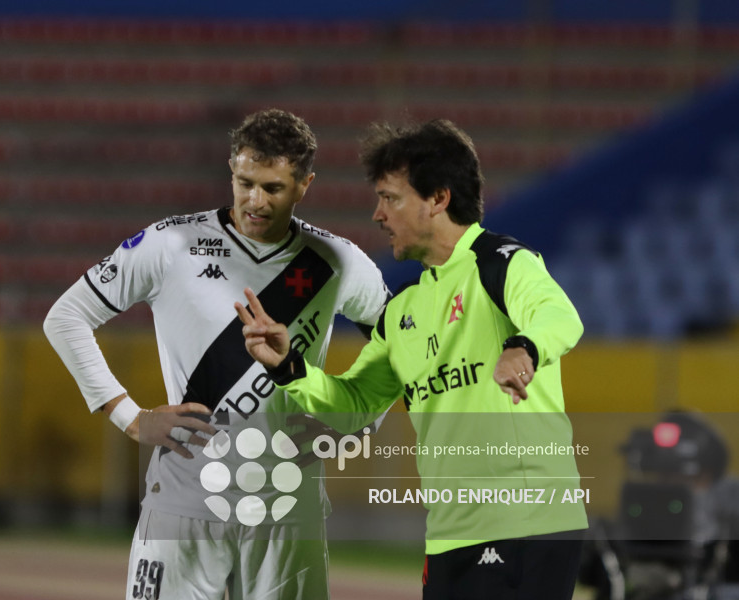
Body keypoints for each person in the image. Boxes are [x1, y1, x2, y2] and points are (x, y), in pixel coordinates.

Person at [44, 108, 389, 600]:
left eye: (273, 188)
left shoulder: (337, 262)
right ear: (231, 168)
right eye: (245, 182)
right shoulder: (171, 244)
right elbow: (65, 317)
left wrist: (354, 421)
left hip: (288, 511)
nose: (255, 200)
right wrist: (130, 416)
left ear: (305, 184)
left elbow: (402, 345)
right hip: (185, 499)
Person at [237, 119, 588, 599]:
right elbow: (354, 403)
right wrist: (288, 368)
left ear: (438, 199)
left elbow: (560, 316)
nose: (379, 214)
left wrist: (523, 347)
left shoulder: (500, 264)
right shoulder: (402, 310)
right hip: (450, 534)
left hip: (526, 524)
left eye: (391, 198)